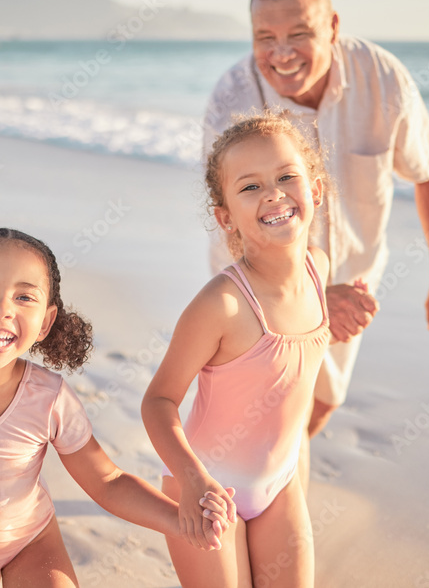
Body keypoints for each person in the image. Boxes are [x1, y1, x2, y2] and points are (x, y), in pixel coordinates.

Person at [0, 227, 233, 587]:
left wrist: (180, 520)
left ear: (45, 322)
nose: (2, 309)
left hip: (30, 542)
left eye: (24, 298)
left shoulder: (49, 398)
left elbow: (108, 481)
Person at [202, 0, 429, 450]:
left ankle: (266, 490)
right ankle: (245, 506)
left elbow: (428, 173)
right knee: (262, 412)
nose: (280, 54)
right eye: (265, 37)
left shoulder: (383, 78)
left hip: (356, 277)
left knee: (323, 401)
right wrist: (318, 296)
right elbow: (234, 227)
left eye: (299, 33)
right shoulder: (232, 100)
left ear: (333, 26)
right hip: (257, 287)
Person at [143, 114, 363, 587]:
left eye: (287, 176)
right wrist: (192, 480)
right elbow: (158, 401)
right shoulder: (221, 304)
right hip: (205, 486)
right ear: (225, 218)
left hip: (279, 483)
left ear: (316, 190)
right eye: (250, 187)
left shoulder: (318, 270)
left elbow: (292, 353)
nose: (273, 193)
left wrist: (343, 306)